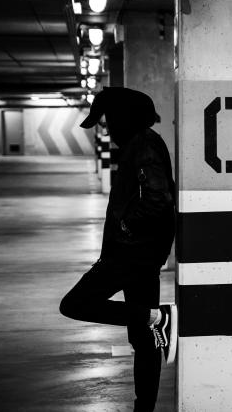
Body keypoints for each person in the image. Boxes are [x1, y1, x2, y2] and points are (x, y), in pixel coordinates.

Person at [59, 87, 176, 412]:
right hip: (140, 254)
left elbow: (158, 198)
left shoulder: (143, 146)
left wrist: (127, 225)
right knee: (143, 339)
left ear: (125, 116)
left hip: (132, 253)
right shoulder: (139, 145)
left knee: (75, 304)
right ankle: (144, 408)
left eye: (109, 118)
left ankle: (159, 316)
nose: (107, 127)